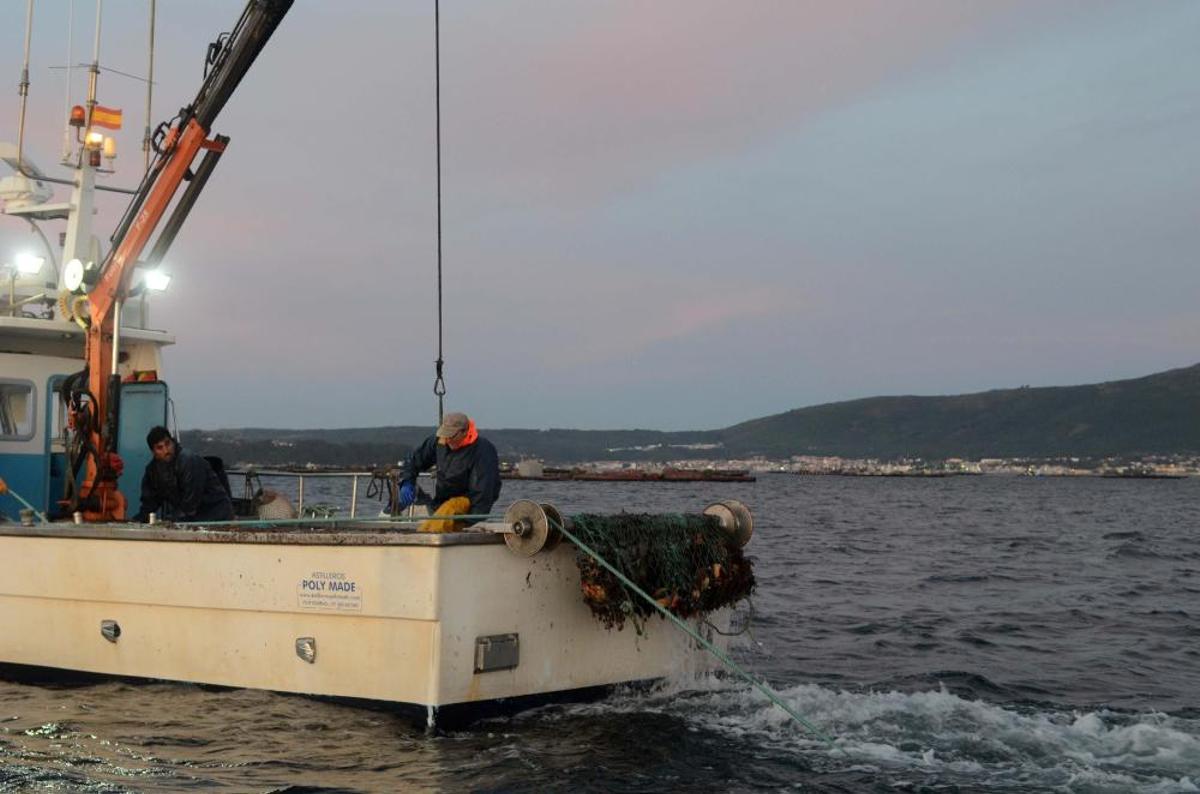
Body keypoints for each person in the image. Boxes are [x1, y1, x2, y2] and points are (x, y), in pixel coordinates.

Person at [399, 411, 501, 532]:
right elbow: (414, 460)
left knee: (450, 508)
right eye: (445, 435)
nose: (447, 440)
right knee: (433, 519)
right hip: (441, 503)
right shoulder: (439, 441)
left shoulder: (483, 450)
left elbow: (483, 492)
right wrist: (407, 481)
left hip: (468, 504)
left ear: (464, 432)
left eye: (451, 436)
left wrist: (472, 523)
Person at [136, 426, 235, 523]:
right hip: (192, 518)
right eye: (159, 448)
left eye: (167, 444)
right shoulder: (152, 471)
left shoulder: (188, 461)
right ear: (153, 452)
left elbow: (190, 504)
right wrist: (137, 521)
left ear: (173, 442)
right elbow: (149, 503)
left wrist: (169, 521)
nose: (166, 450)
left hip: (217, 516)